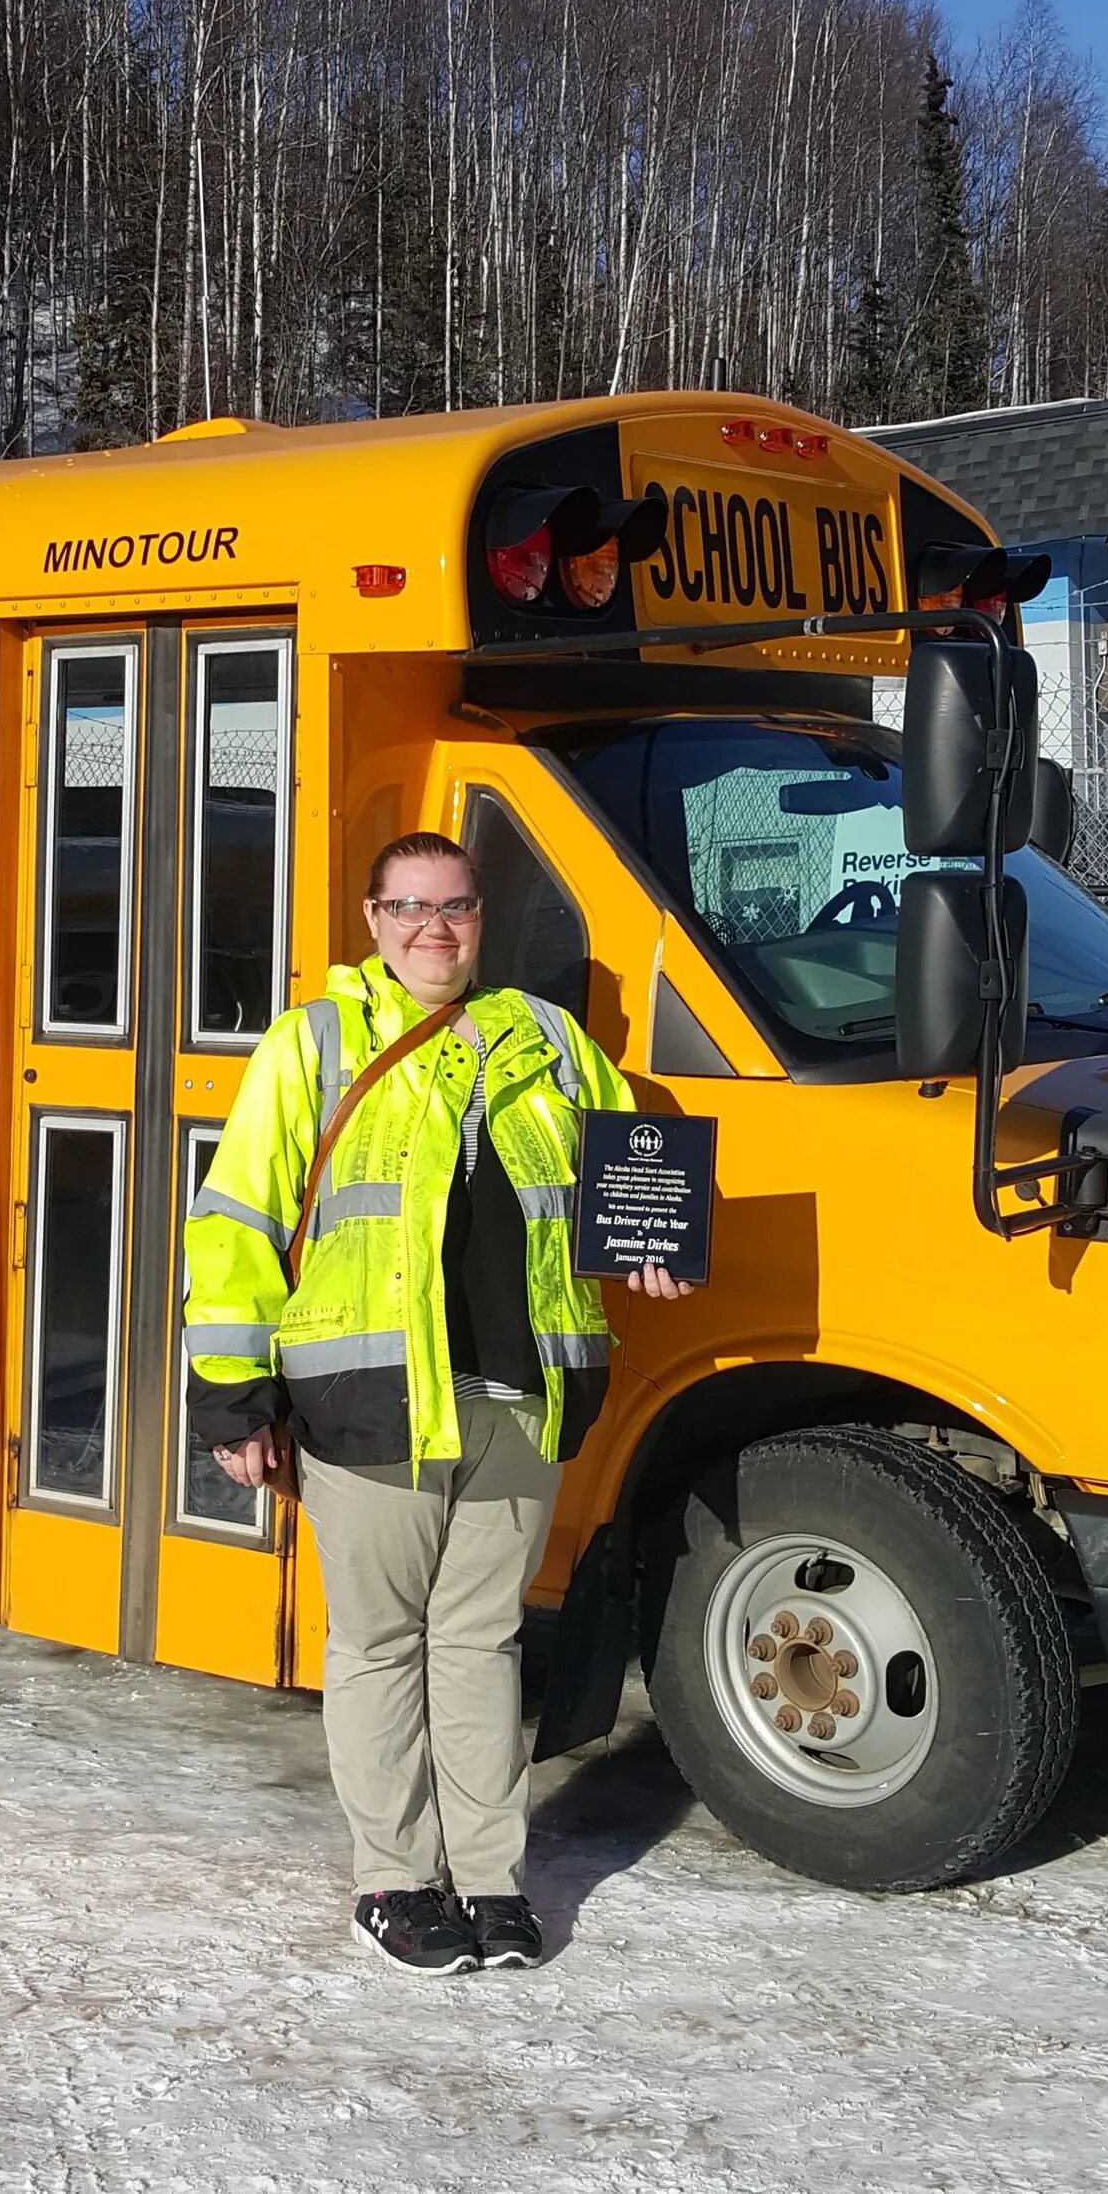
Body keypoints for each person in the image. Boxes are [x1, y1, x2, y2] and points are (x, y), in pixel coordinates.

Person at [183, 831, 692, 1975]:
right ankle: (396, 1881)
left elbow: (620, 1185)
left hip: (520, 1399)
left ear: (481, 918)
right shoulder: (312, 1043)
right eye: (409, 908)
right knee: (377, 1647)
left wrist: (653, 1251)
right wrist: (233, 1400)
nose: (434, 929)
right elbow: (238, 1222)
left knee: (481, 1645)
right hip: (368, 1402)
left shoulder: (553, 1044)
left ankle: (491, 1880)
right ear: (371, 919)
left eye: (455, 907)